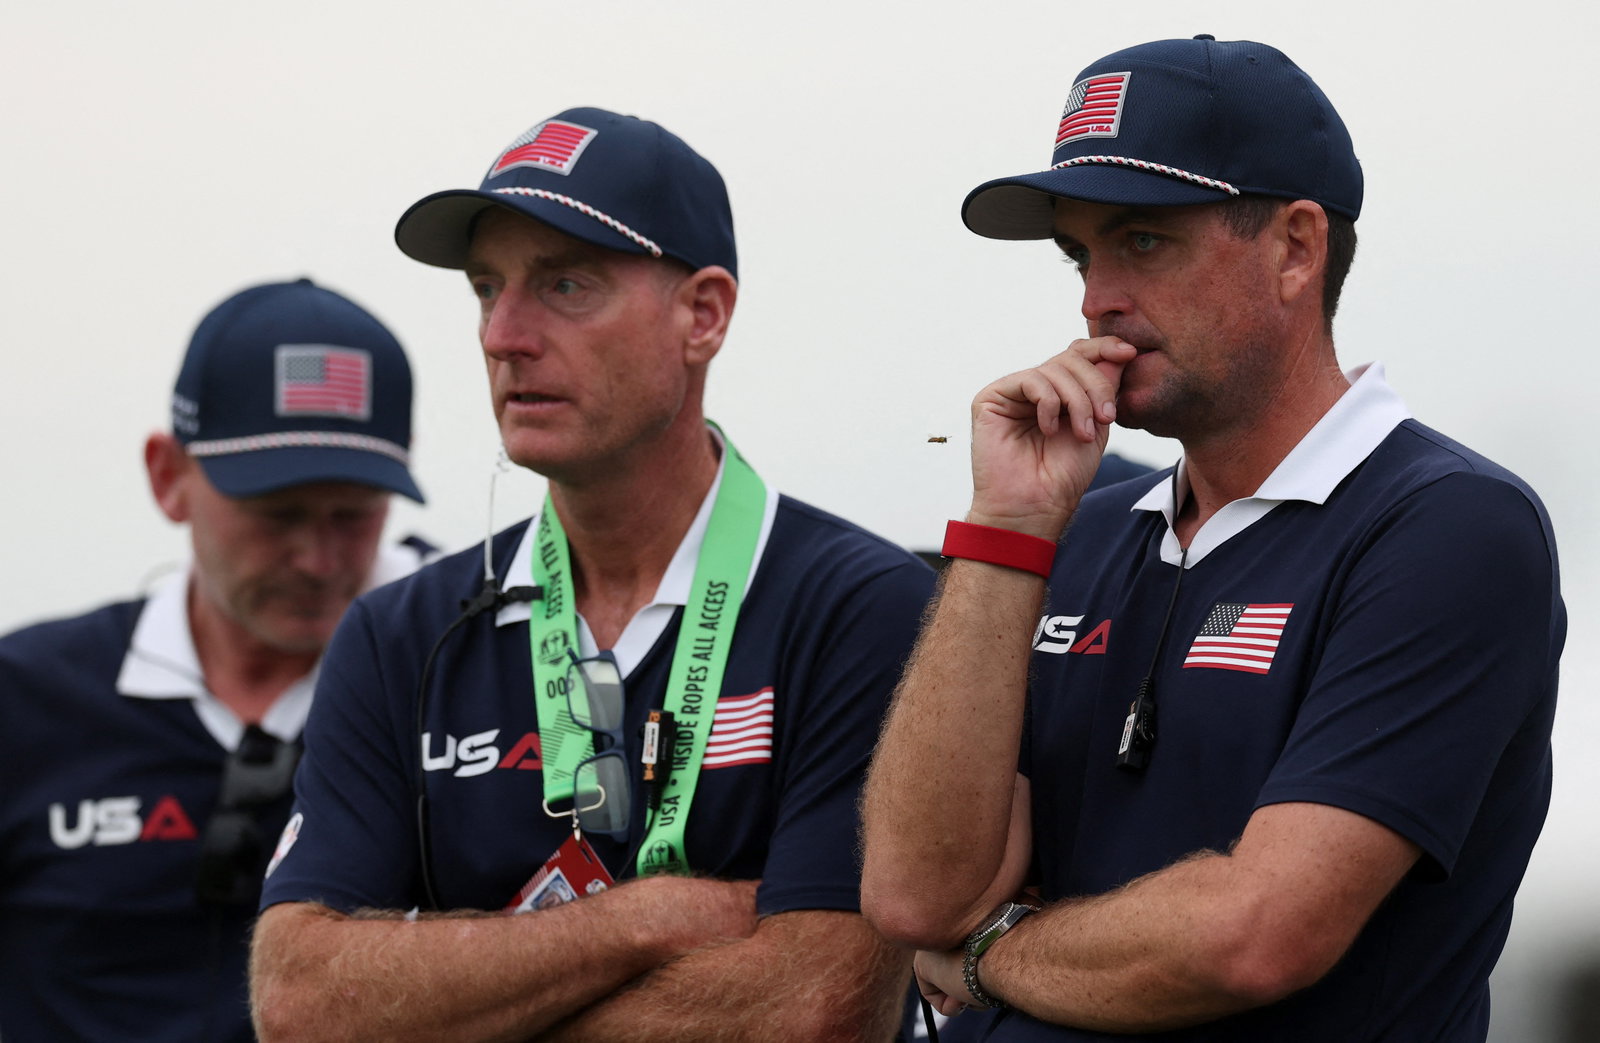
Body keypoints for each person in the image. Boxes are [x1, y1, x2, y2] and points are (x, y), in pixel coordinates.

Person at [860, 36, 1563, 1042]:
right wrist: (1002, 531)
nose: (1095, 294)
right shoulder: (1077, 526)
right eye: (1080, 252)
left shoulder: (1448, 524)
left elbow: (1257, 932)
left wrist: (991, 952)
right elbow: (915, 896)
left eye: (1141, 240)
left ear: (1294, 248)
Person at [249, 107, 935, 1042]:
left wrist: (461, 1001)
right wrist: (648, 920)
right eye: (487, 288)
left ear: (703, 315)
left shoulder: (863, 604)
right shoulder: (397, 631)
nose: (504, 334)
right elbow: (299, 999)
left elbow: (814, 1005)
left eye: (565, 284)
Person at [0, 277, 428, 1041]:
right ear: (170, 478)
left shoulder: (466, 685)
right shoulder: (24, 700)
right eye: (279, 514)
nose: (317, 556)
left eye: (353, 516)